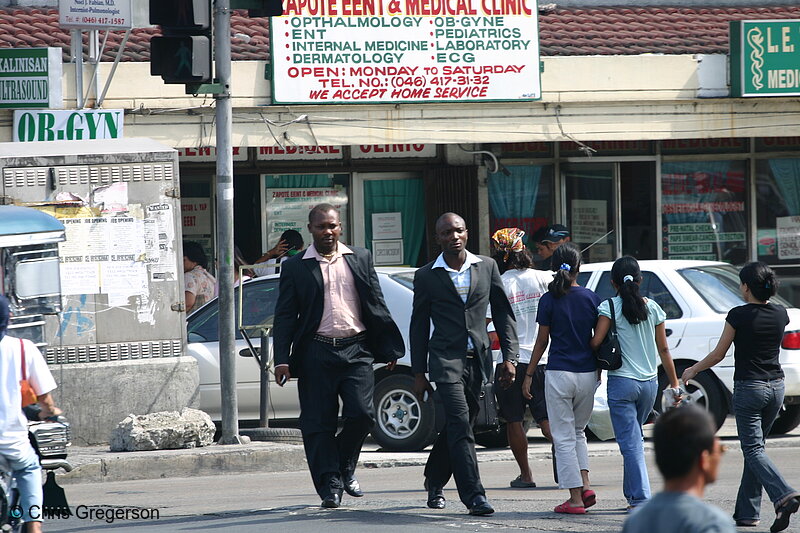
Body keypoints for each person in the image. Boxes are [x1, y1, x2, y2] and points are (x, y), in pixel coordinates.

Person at [272, 204, 404, 509]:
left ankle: (345, 465)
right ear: (311, 229)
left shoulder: (360, 257)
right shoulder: (295, 267)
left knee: (362, 414)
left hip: (356, 349)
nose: (327, 232)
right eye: (321, 227)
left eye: (332, 226)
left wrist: (387, 347)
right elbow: (285, 316)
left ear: (340, 227)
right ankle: (330, 485)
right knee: (318, 424)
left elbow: (376, 303)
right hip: (316, 351)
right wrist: (282, 359)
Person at [410, 212, 519, 516]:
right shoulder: (427, 275)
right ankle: (474, 496)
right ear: (438, 238)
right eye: (446, 232)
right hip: (445, 360)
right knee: (459, 422)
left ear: (467, 233)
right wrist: (419, 372)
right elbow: (418, 326)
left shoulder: (487, 267)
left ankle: (433, 480)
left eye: (458, 230)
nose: (453, 236)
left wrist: (509, 358)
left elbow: (503, 314)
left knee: (463, 424)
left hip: (478, 359)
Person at [681, 262, 800, 532]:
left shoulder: (738, 315)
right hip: (776, 388)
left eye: (740, 284)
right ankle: (748, 513)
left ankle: (784, 495)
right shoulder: (781, 313)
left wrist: (693, 370)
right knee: (756, 449)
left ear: (746, 287)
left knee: (754, 449)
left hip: (750, 388)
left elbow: (718, 354)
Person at [589, 256, 682, 511]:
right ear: (640, 281)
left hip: (622, 384)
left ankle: (641, 499)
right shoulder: (653, 307)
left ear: (613, 283)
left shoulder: (609, 307)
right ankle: (632, 494)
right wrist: (674, 384)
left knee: (631, 443)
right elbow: (664, 349)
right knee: (634, 439)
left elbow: (596, 343)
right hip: (649, 385)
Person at [523, 242, 599, 514]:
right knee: (579, 433)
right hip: (588, 375)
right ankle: (586, 484)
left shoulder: (548, 299)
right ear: (579, 268)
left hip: (558, 374)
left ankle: (576, 499)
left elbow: (542, 341)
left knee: (563, 437)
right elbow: (598, 339)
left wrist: (529, 375)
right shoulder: (591, 298)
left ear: (555, 268)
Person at [488, 227, 554, 488]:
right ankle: (570, 470)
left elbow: (485, 321)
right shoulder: (544, 278)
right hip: (544, 359)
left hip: (509, 363)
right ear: (523, 250)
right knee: (548, 419)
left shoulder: (498, 284)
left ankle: (526, 475)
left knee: (513, 419)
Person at [0, 295, 62, 533]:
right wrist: (50, 411)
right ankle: (33, 524)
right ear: (9, 318)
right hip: (12, 442)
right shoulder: (24, 349)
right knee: (29, 469)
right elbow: (44, 398)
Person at [622, 406, 736, 533]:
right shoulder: (713, 523)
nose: (720, 456)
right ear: (704, 460)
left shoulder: (635, 521)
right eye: (720, 450)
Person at [183, 240, 216, 314]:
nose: (181, 263)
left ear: (193, 259)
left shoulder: (189, 276)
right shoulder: (208, 276)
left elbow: (188, 303)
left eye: (184, 260)